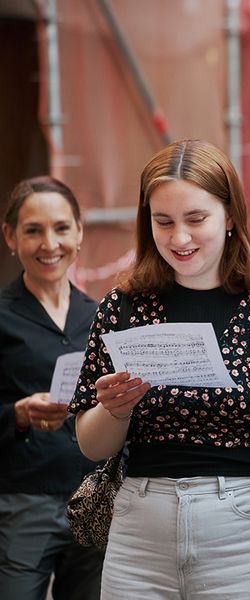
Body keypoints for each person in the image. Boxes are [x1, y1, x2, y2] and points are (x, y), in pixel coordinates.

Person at [68, 140, 250, 600]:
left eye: (196, 219)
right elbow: (91, 444)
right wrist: (115, 409)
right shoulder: (124, 308)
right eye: (163, 222)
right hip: (139, 532)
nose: (179, 238)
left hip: (241, 534)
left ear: (230, 217)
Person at [0, 176, 104, 599]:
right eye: (33, 230)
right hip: (24, 504)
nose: (50, 243)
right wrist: (19, 413)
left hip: (95, 501)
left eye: (61, 228)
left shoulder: (100, 317)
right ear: (9, 236)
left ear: (79, 232)